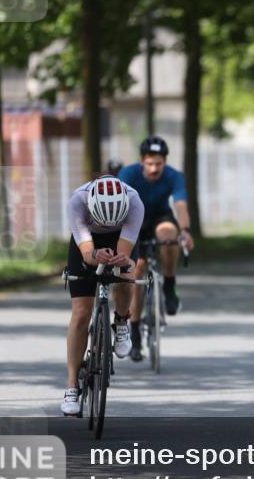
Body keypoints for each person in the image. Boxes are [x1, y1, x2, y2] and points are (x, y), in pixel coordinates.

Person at [62, 176, 144, 415]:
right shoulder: (77, 202)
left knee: (127, 273)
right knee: (81, 312)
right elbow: (87, 252)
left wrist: (121, 260)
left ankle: (121, 321)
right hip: (88, 242)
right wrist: (95, 255)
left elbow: (124, 254)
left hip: (121, 238)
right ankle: (71, 386)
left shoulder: (135, 203)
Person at [118, 136, 195, 361]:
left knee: (169, 235)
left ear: (165, 162)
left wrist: (185, 231)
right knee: (137, 270)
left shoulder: (174, 176)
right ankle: (134, 331)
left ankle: (169, 285)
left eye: (159, 164)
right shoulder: (128, 174)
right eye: (150, 163)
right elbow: (120, 205)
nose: (154, 169)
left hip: (160, 217)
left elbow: (180, 205)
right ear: (142, 161)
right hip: (135, 221)